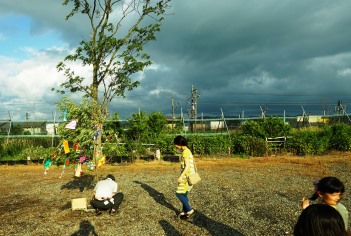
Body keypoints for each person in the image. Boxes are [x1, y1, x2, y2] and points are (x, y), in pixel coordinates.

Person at [174, 135, 196, 219]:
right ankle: (184, 211)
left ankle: (190, 210)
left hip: (187, 177)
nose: (175, 146)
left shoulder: (185, 152)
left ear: (179, 144)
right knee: (184, 194)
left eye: (175, 144)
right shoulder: (188, 150)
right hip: (190, 176)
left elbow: (187, 167)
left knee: (179, 194)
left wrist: (180, 177)